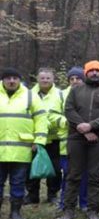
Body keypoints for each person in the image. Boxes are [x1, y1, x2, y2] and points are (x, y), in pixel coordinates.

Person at [60, 60, 99, 219]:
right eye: (91, 70)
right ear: (86, 73)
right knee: (73, 175)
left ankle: (93, 210)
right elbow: (69, 110)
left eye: (97, 71)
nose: (94, 73)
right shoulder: (76, 90)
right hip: (76, 138)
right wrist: (82, 127)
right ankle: (68, 210)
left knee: (95, 176)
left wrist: (92, 126)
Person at [0, 68, 47, 219]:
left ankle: (15, 212)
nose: (11, 81)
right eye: (8, 78)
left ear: (19, 80)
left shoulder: (30, 96)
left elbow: (41, 119)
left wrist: (38, 141)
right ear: (3, 80)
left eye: (15, 78)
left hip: (22, 149)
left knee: (18, 182)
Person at [26, 67, 66, 205]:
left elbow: (64, 114)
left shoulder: (60, 94)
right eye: (42, 78)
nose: (45, 80)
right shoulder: (29, 94)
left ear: (53, 79)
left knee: (55, 169)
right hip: (34, 139)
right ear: (37, 78)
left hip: (54, 139)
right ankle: (32, 195)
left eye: (48, 78)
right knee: (32, 167)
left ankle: (52, 194)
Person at [58, 66, 88, 211]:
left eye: (78, 78)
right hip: (66, 141)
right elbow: (52, 115)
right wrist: (66, 121)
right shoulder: (61, 95)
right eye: (72, 79)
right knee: (68, 175)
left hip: (87, 141)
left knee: (85, 175)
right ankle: (64, 203)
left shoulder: (90, 94)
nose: (75, 81)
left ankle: (84, 203)